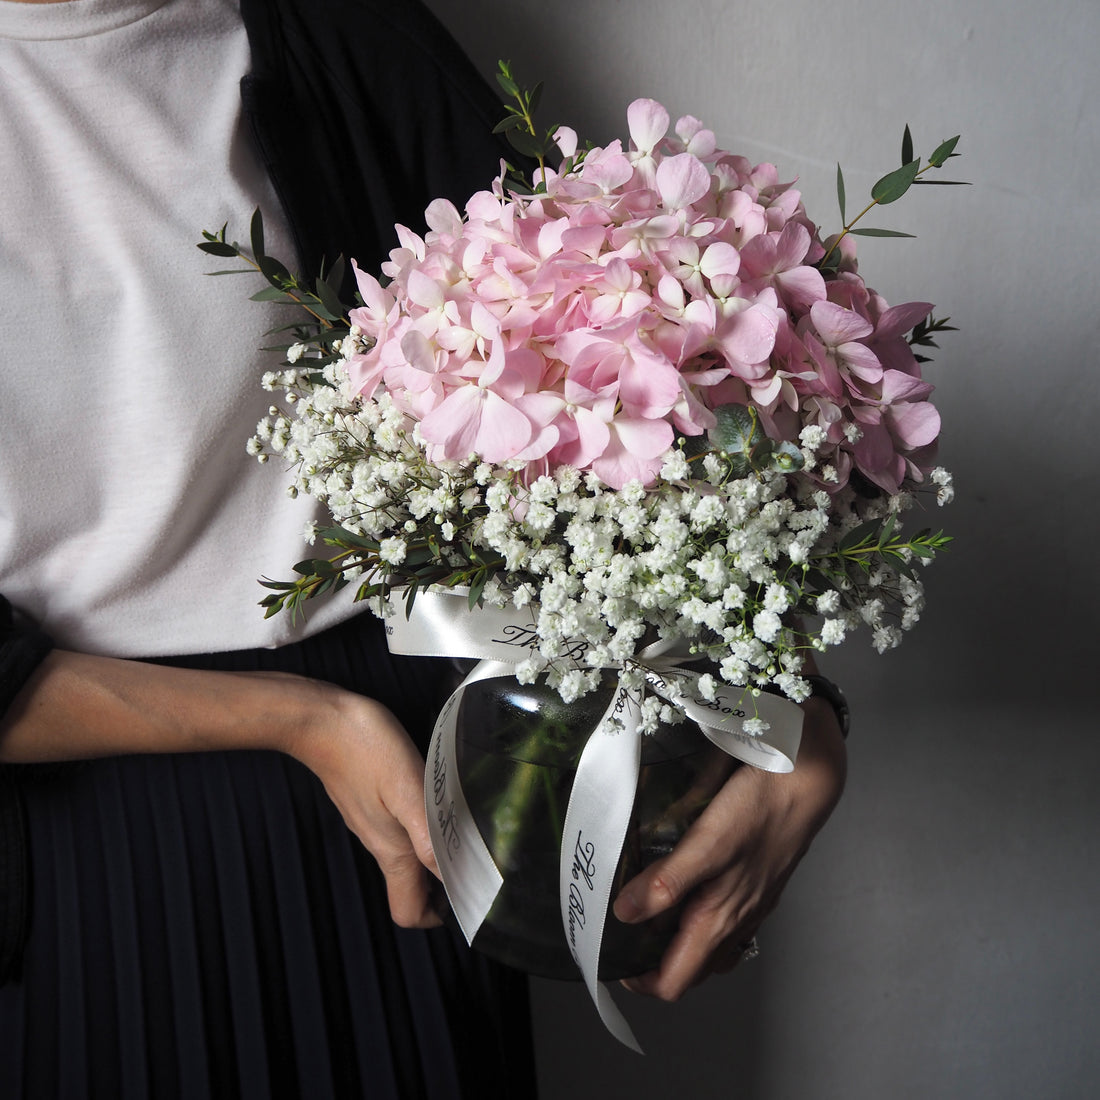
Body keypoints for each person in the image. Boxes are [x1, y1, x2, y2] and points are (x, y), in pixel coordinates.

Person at [0, 0, 847, 1095]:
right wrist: (301, 723)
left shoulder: (340, 31)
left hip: (404, 793)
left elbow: (598, 373)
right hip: (75, 838)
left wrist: (790, 709)